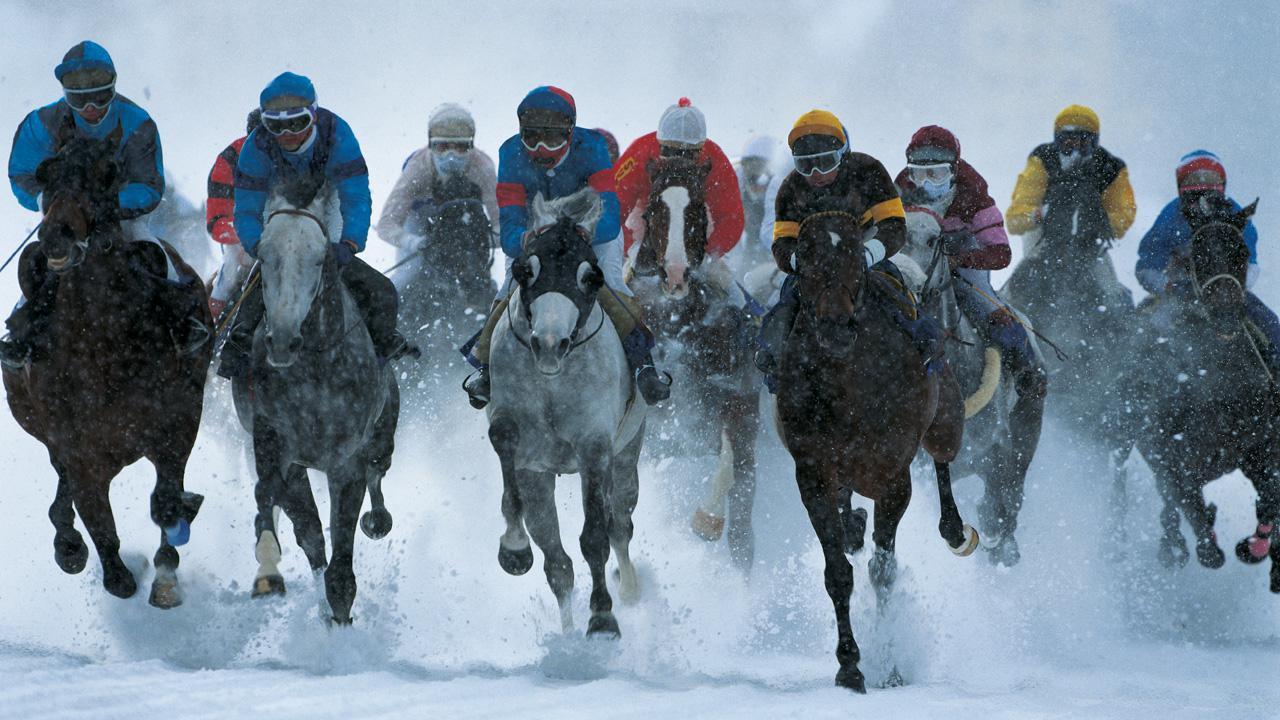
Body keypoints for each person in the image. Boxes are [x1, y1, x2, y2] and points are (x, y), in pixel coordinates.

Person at [461, 85, 669, 408]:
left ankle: (643, 364)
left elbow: (610, 215)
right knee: (510, 286)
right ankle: (486, 367)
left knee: (610, 284)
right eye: (531, 137)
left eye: (553, 138)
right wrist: (527, 239)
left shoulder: (594, 147)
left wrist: (584, 232)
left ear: (570, 133)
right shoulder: (510, 154)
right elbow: (511, 226)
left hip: (591, 229)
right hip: (537, 230)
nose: (542, 148)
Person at [218, 72, 415, 379]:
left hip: (328, 202)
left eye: (295, 123)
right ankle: (240, 341)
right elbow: (247, 207)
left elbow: (355, 195)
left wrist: (349, 243)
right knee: (268, 269)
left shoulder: (336, 132)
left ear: (312, 115)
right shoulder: (256, 146)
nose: (286, 134)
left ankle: (379, 356)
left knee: (382, 290)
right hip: (279, 206)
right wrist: (258, 244)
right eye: (275, 126)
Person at [2, 41, 176, 368]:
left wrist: (105, 203)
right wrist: (48, 200)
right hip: (65, 216)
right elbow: (21, 174)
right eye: (79, 99)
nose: (91, 107)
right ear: (65, 94)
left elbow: (150, 186)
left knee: (154, 253)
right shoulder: (42, 123)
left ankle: (183, 324)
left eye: (100, 97)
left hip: (120, 217)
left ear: (113, 87)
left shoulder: (137, 122)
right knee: (39, 263)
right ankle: (20, 333)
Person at [754, 109, 911, 388]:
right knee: (787, 298)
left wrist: (869, 253)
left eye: (825, 163)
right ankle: (772, 356)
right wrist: (798, 262)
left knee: (896, 294)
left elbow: (895, 225)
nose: (816, 175)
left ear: (843, 155)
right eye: (806, 166)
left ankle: (924, 345)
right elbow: (782, 242)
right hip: (814, 264)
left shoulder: (868, 171)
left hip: (866, 254)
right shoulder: (790, 188)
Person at [895, 125, 1047, 398]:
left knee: (989, 310)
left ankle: (1026, 369)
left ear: (953, 170)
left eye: (936, 173)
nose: (926, 183)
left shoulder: (974, 193)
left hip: (962, 266)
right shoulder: (901, 190)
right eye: (918, 173)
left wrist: (960, 259)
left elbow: (1001, 253)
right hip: (914, 263)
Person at [1136, 150, 1280, 364]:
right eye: (1193, 190)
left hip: (1228, 293)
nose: (1201, 196)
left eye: (1208, 187)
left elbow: (1250, 263)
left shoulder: (1234, 214)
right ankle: (1138, 377)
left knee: (1271, 326)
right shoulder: (1171, 215)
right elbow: (1147, 264)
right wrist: (1168, 286)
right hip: (1179, 294)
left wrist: (1233, 288)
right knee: (1148, 332)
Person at [1005, 104, 1136, 308]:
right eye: (1068, 143)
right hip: (1043, 241)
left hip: (1091, 246)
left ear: (1095, 143)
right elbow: (1015, 219)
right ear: (1057, 141)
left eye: (1083, 144)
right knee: (1015, 293)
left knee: (1114, 299)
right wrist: (1042, 214)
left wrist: (1096, 219)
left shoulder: (1110, 167)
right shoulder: (1042, 159)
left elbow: (1123, 216)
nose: (1075, 152)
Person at [613, 98, 744, 274]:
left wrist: (710, 252)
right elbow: (610, 209)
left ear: (701, 149)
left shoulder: (716, 160)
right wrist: (631, 247)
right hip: (645, 219)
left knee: (728, 291)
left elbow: (731, 217)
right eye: (671, 151)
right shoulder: (639, 153)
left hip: (697, 224)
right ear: (659, 144)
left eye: (688, 153)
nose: (679, 159)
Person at [376, 103, 498, 271]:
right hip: (419, 222)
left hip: (468, 222)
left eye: (460, 147)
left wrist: (482, 239)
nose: (451, 156)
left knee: (477, 271)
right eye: (442, 147)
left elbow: (502, 225)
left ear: (472, 146)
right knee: (407, 275)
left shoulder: (483, 168)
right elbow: (386, 225)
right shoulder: (418, 167)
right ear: (430, 145)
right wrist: (415, 243)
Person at [205, 109, 261, 319]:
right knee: (231, 267)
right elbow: (217, 221)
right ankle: (214, 321)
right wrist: (249, 233)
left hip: (286, 235)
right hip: (243, 239)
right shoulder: (229, 159)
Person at [736, 135, 777, 260]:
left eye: (759, 166)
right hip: (750, 251)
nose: (753, 175)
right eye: (748, 166)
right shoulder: (736, 185)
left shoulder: (783, 190)